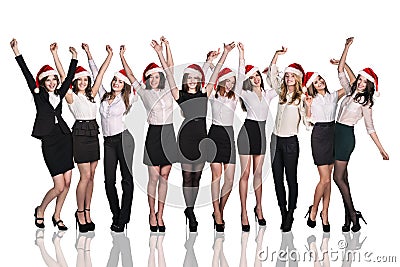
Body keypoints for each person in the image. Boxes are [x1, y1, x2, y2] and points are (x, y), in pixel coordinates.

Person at [151, 38, 234, 232]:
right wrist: (159, 52)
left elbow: (215, 72)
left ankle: (190, 209)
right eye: (189, 77)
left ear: (199, 80)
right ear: (185, 79)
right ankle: (190, 210)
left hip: (202, 138)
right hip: (186, 139)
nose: (192, 80)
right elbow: (168, 74)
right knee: (187, 177)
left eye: (195, 77)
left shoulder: (205, 92)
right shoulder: (179, 95)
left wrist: (226, 52)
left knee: (197, 178)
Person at [11, 38, 77, 231]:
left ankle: (57, 215)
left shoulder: (61, 92)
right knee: (58, 185)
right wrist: (17, 52)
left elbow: (69, 78)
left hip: (65, 138)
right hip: (49, 140)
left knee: (67, 183)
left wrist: (74, 58)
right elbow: (27, 74)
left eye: (53, 79)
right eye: (48, 79)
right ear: (43, 81)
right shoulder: (38, 93)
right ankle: (41, 210)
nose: (52, 82)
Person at [51, 43, 113, 232]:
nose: (84, 82)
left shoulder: (92, 95)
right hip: (79, 134)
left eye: (86, 80)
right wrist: (56, 54)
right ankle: (79, 213)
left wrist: (109, 56)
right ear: (76, 82)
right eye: (81, 80)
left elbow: (100, 75)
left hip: (93, 133)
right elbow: (63, 76)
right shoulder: (71, 96)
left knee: (92, 175)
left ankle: (87, 211)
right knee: (84, 176)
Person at [119, 36, 178, 233]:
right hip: (154, 134)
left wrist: (162, 50)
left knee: (165, 176)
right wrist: (121, 56)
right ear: (147, 79)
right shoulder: (144, 92)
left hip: (169, 133)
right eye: (150, 77)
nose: (154, 79)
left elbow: (170, 69)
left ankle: (161, 214)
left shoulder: (170, 90)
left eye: (156, 76)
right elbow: (130, 74)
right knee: (153, 177)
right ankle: (151, 213)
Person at [333, 37, 389, 232]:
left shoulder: (366, 103)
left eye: (365, 82)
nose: (361, 83)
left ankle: (354, 217)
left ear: (369, 86)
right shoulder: (350, 93)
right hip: (335, 133)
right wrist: (346, 47)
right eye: (360, 80)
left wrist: (381, 150)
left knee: (337, 178)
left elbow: (370, 128)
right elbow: (341, 71)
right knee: (344, 180)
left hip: (346, 137)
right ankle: (349, 217)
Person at [85, 44, 137, 233]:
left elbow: (133, 78)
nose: (116, 82)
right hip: (108, 142)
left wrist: (122, 57)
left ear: (124, 85)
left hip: (124, 140)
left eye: (119, 81)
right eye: (114, 80)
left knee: (126, 180)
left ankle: (123, 219)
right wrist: (90, 54)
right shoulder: (103, 95)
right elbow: (96, 73)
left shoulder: (128, 98)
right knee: (108, 181)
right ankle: (116, 214)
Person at [303, 60, 355, 232]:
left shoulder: (333, 95)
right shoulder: (311, 99)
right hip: (319, 135)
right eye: (316, 81)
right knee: (324, 179)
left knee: (329, 180)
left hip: (333, 134)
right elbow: (308, 120)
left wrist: (343, 64)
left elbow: (352, 85)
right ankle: (314, 209)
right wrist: (308, 106)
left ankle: (325, 213)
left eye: (321, 79)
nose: (320, 82)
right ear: (312, 86)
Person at [236, 47, 277, 232]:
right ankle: (243, 212)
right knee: (244, 174)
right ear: (248, 80)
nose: (256, 78)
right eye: (252, 77)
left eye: (257, 75)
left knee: (258, 174)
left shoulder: (268, 94)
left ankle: (258, 208)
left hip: (261, 133)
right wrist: (242, 56)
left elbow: (278, 84)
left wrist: (274, 60)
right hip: (247, 132)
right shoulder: (245, 94)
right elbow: (238, 79)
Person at [266, 46, 306, 232]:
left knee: (291, 179)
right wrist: (276, 55)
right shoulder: (281, 92)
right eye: (287, 75)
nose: (289, 78)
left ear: (297, 79)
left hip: (290, 142)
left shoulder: (301, 97)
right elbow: (272, 75)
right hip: (275, 140)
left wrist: (310, 107)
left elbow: (307, 120)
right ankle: (283, 211)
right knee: (277, 179)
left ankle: (291, 212)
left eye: (292, 76)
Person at [207, 42, 244, 232]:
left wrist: (241, 54)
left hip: (229, 135)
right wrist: (212, 61)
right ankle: (218, 214)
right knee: (216, 176)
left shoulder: (234, 96)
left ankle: (219, 209)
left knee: (230, 179)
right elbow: (211, 75)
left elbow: (242, 73)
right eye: (227, 81)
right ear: (221, 82)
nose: (230, 84)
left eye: (232, 81)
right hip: (214, 134)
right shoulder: (213, 94)